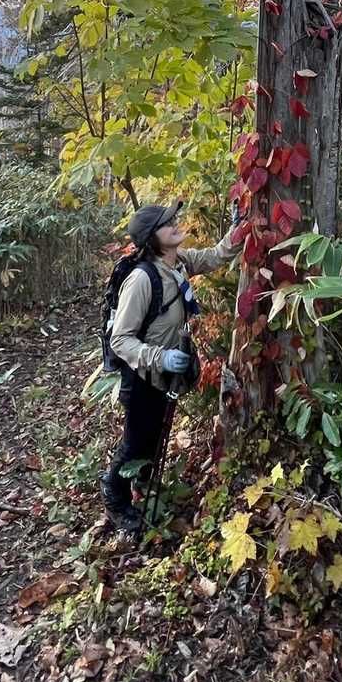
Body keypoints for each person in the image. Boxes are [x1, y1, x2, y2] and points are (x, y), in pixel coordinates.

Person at [100, 199, 240, 535]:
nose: (174, 224)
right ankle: (115, 497)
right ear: (152, 238)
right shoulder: (142, 279)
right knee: (135, 442)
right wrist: (159, 357)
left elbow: (213, 257)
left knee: (155, 435)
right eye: (166, 223)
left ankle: (144, 485)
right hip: (142, 375)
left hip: (164, 375)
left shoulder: (177, 263)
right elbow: (121, 340)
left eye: (172, 219)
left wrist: (237, 232)